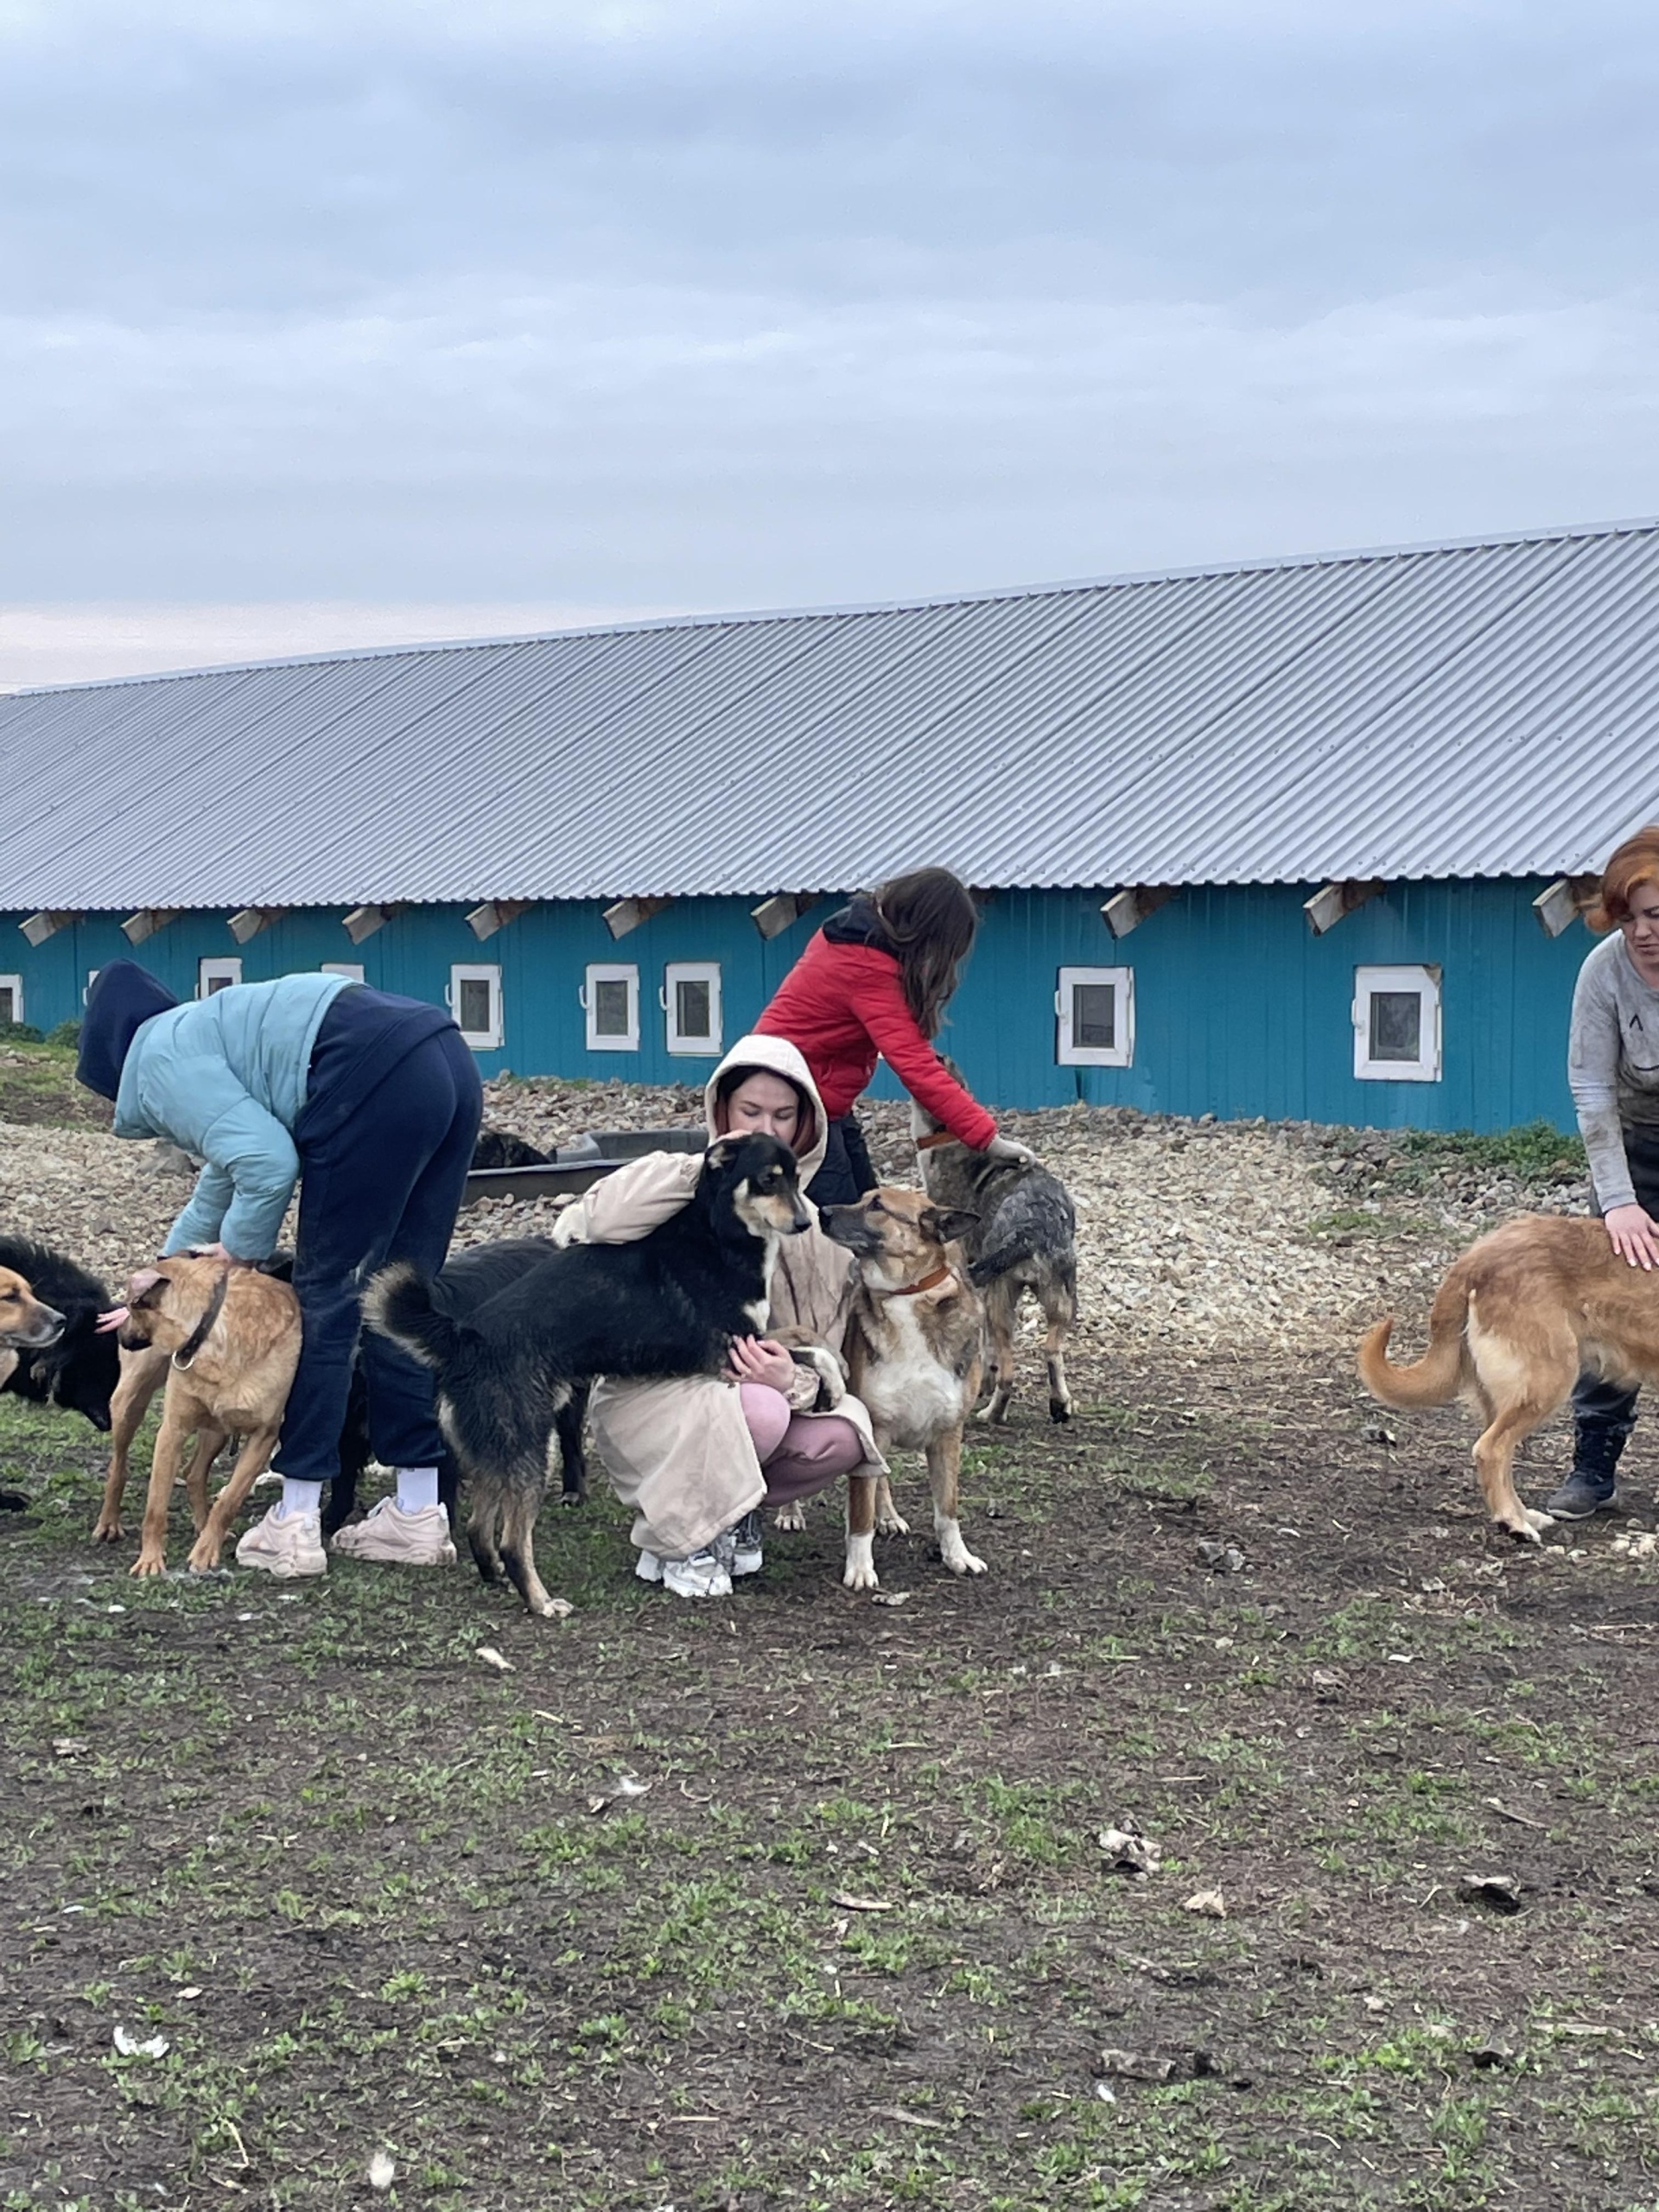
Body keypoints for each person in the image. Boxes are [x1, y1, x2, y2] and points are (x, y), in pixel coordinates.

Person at [77, 960, 481, 1577]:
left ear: (108, 1058)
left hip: (367, 1076)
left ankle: (295, 1519)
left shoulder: (156, 1059)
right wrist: (158, 1279)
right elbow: (223, 1174)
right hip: (446, 1059)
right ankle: (418, 1513)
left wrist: (240, 1251)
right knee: (397, 1296)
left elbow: (265, 1163)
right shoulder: (210, 1028)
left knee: (325, 1296)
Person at [551, 1034, 889, 1597]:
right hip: (652, 1394)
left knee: (843, 1434)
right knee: (754, 1408)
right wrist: (711, 1169)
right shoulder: (678, 1186)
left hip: (737, 1396)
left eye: (783, 1115)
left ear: (806, 1125)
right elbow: (594, 1222)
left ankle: (731, 1512)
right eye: (749, 1112)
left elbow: (827, 1349)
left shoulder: (812, 1232)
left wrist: (796, 1379)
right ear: (721, 1113)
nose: (767, 1129)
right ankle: (682, 1537)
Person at [753, 866, 1031, 1205]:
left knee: (869, 1207)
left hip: (814, 1095)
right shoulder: (867, 965)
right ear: (925, 931)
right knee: (840, 1225)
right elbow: (917, 1067)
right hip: (790, 1100)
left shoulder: (852, 930)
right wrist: (989, 1140)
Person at [1556, 824, 1659, 1517]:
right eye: (1632, 918)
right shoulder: (1603, 971)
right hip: (1632, 1140)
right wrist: (1618, 1202)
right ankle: (1593, 1467)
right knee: (1615, 1305)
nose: (1645, 933)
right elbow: (1591, 1088)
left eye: (1655, 916)